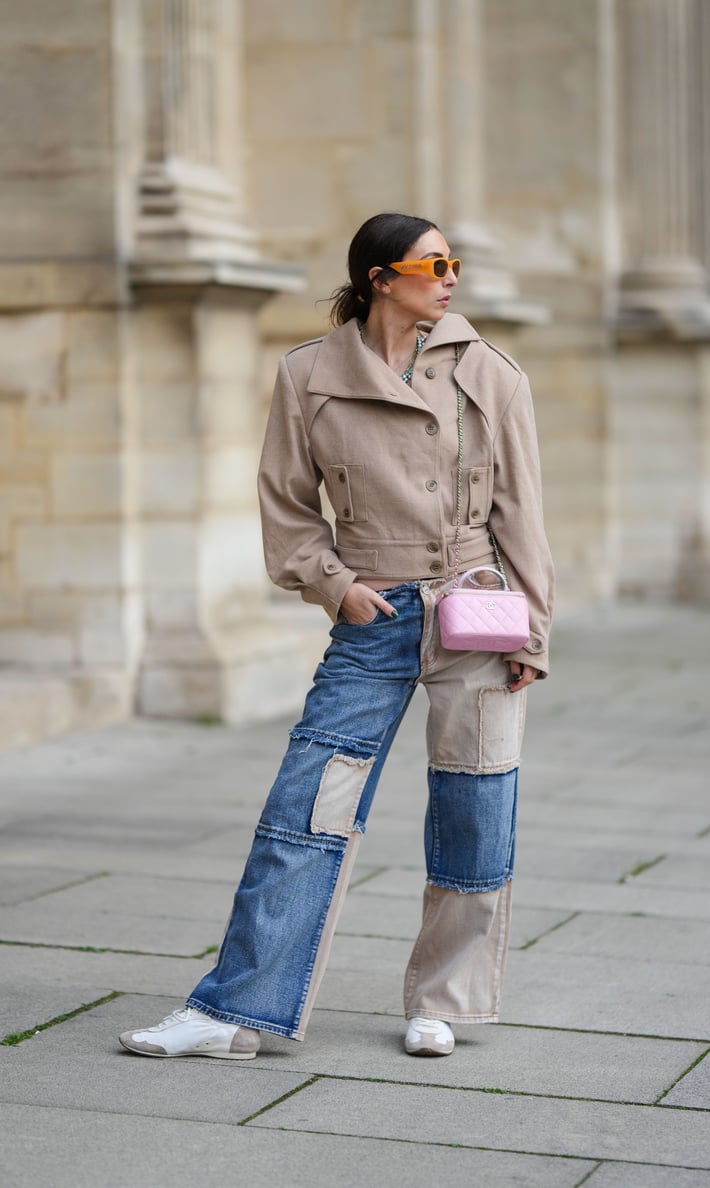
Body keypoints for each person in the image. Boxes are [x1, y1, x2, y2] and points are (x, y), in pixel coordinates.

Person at [119, 211, 554, 1061]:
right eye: (433, 264)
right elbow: (285, 501)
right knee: (303, 808)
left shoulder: (491, 372)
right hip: (374, 615)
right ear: (379, 278)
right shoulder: (308, 374)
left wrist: (532, 631)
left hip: (477, 614)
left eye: (454, 262)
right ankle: (235, 1011)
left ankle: (443, 1000)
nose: (451, 277)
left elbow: (523, 512)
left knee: (476, 809)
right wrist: (336, 585)